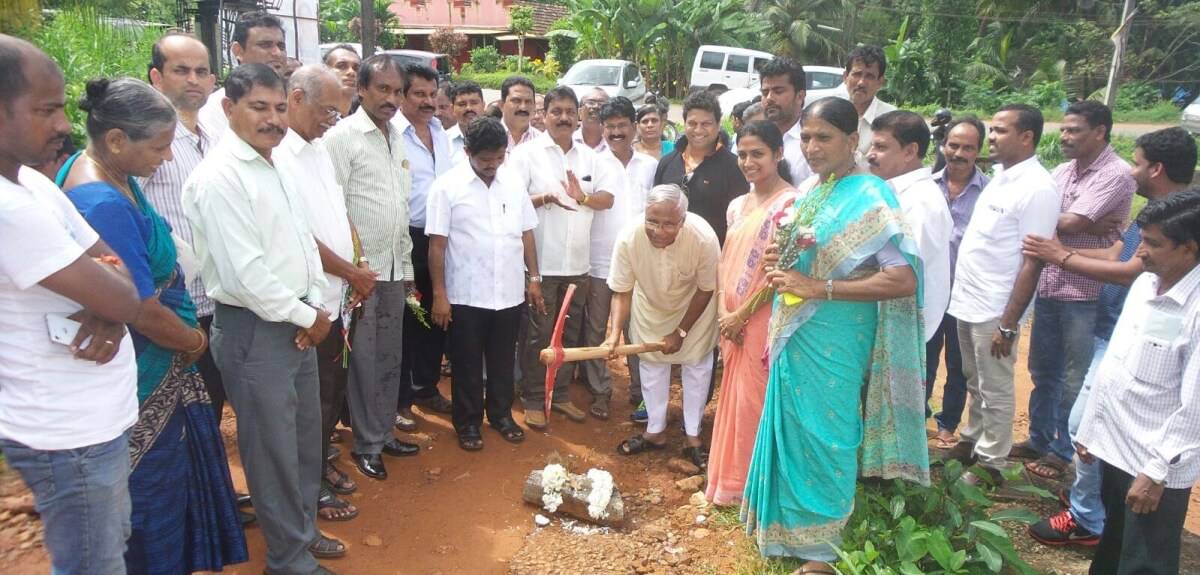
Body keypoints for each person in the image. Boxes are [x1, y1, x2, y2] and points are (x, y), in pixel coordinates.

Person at [57, 77, 248, 574]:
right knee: (153, 501)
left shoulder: (104, 174)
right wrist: (192, 339)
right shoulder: (102, 203)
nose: (166, 158)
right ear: (118, 140)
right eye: (160, 147)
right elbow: (139, 307)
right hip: (144, 375)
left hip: (154, 364)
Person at [740, 98, 928, 573]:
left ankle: (822, 551)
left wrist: (817, 286)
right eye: (805, 137)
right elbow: (797, 258)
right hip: (797, 330)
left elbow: (902, 279)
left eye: (824, 137)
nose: (812, 146)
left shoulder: (870, 195)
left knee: (830, 433)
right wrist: (779, 266)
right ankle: (783, 527)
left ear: (853, 140)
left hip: (839, 333)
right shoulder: (811, 190)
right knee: (793, 424)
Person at [183, 63, 341, 574]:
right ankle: (287, 559)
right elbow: (245, 273)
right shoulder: (220, 178)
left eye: (278, 108)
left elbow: (303, 244)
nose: (272, 119)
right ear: (229, 109)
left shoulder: (272, 164)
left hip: (298, 323)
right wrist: (307, 314)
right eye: (259, 108)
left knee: (302, 442)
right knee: (271, 453)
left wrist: (313, 304)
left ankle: (302, 533)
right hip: (257, 331)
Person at [0, 35, 141, 574]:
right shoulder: (11, 210)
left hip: (91, 423)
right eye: (45, 109)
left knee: (108, 548)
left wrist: (109, 301)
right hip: (66, 436)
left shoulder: (33, 183)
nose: (63, 123)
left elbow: (119, 270)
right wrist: (112, 301)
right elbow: (123, 291)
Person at [1024, 128, 1196, 547]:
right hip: (1119, 331)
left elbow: (1129, 268)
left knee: (1089, 421)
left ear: (1155, 168)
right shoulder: (1155, 219)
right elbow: (1123, 258)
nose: (1129, 170)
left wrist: (1061, 256)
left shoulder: (1178, 233)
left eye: (1136, 162)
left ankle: (1087, 515)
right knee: (1094, 421)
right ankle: (1100, 511)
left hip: (1145, 351)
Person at [1074, 189, 1200, 575]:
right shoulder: (1147, 283)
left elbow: (1194, 407)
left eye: (1152, 243)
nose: (1139, 250)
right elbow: (1117, 360)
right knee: (1113, 550)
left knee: (1144, 564)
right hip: (1115, 446)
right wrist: (1092, 427)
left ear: (1189, 250)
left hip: (1154, 464)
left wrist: (1158, 471)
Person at [275, 65, 375, 523]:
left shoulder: (317, 151)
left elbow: (339, 214)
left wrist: (358, 263)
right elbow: (302, 238)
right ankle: (306, 489)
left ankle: (317, 469)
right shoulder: (280, 157)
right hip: (309, 303)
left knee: (329, 395)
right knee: (308, 404)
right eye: (326, 111)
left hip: (338, 297)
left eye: (337, 113)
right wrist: (352, 272)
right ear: (296, 98)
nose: (331, 121)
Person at [1015, 101, 1135, 482]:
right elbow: (1044, 217)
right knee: (1042, 369)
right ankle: (1038, 439)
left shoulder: (1117, 174)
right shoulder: (1063, 171)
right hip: (1049, 283)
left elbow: (1071, 220)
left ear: (1100, 131)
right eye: (1063, 130)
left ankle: (1062, 450)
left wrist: (1054, 222)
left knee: (1074, 376)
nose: (1064, 137)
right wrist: (1059, 223)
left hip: (1085, 290)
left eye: (1073, 130)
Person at [943, 104, 1060, 484]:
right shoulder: (1001, 176)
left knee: (994, 384)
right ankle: (972, 440)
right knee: (973, 377)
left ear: (1027, 137)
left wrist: (1009, 323)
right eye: (991, 130)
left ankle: (992, 462)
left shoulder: (1038, 188)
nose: (991, 138)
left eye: (1000, 131)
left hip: (996, 308)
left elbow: (1033, 261)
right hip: (968, 300)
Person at [323, 54, 421, 481]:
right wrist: (355, 268)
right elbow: (334, 207)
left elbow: (398, 206)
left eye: (397, 91)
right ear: (361, 89)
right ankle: (366, 444)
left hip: (396, 270)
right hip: (361, 276)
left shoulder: (395, 136)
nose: (392, 98)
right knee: (363, 361)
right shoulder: (342, 138)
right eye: (383, 89)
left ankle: (383, 433)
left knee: (389, 359)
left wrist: (409, 271)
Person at [506, 85, 620, 430]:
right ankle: (533, 398)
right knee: (539, 336)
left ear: (580, 115)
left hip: (578, 267)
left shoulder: (591, 158)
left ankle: (562, 396)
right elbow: (512, 202)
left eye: (571, 111)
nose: (565, 118)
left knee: (569, 335)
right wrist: (548, 197)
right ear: (545, 114)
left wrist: (581, 196)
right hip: (542, 265)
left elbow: (608, 199)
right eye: (557, 111)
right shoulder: (527, 155)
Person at [427, 117, 544, 450]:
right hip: (466, 294)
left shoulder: (513, 183)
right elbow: (437, 246)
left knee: (503, 359)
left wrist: (533, 278)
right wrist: (440, 295)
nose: (492, 166)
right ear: (467, 152)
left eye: (498, 158)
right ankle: (468, 424)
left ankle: (501, 415)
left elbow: (526, 233)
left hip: (507, 292)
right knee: (466, 363)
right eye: (485, 160)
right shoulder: (447, 187)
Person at [705, 120, 796, 505]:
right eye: (742, 154)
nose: (748, 161)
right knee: (733, 394)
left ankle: (754, 488)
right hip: (731, 314)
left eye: (757, 153)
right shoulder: (736, 205)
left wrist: (742, 315)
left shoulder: (791, 206)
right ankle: (727, 481)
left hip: (763, 316)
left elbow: (780, 275)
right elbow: (727, 261)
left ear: (777, 154)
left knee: (755, 396)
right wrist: (727, 311)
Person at [605, 184, 720, 469]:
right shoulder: (629, 237)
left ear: (683, 220)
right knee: (652, 368)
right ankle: (654, 431)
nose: (658, 230)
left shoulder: (703, 237)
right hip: (651, 308)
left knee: (696, 368)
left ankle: (692, 436)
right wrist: (614, 334)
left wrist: (681, 331)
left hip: (695, 309)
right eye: (652, 221)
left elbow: (706, 289)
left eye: (669, 224)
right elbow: (622, 290)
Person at [142, 32, 225, 413]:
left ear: (212, 81)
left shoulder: (213, 138)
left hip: (218, 300)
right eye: (181, 70)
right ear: (156, 77)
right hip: (174, 307)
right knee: (176, 413)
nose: (193, 79)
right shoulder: (147, 141)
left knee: (210, 404)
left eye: (201, 71)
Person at [578, 97, 657, 420]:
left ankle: (641, 394)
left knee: (638, 331)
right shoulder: (591, 164)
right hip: (600, 261)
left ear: (634, 127)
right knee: (596, 329)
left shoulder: (650, 166)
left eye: (622, 125)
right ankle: (601, 391)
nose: (615, 132)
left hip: (640, 264)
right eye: (609, 127)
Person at [393, 64, 454, 431]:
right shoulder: (392, 135)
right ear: (402, 96)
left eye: (432, 95)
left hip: (441, 238)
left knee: (437, 314)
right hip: (407, 239)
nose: (428, 102)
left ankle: (427, 387)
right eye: (419, 94)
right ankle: (401, 400)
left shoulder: (439, 132)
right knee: (405, 318)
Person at [927, 116, 989, 449]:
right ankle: (916, 415)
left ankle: (948, 422)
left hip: (965, 293)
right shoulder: (927, 185)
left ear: (979, 151)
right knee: (924, 355)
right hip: (928, 290)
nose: (959, 153)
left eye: (968, 147)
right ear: (943, 146)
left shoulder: (990, 192)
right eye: (953, 145)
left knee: (959, 364)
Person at [867, 110, 953, 342]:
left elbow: (905, 275)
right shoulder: (896, 193)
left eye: (880, 147)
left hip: (908, 334)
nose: (870, 155)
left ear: (910, 151)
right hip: (894, 326)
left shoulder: (919, 202)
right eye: (871, 146)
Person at [654, 90, 748, 245]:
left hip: (714, 258)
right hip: (668, 256)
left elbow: (739, 223)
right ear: (684, 124)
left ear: (718, 125)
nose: (698, 130)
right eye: (692, 123)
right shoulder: (667, 163)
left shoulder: (734, 167)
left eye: (706, 124)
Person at [197, 11, 286, 141]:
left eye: (281, 46)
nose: (277, 53)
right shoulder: (214, 110)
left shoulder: (293, 102)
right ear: (238, 50)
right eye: (265, 45)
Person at [832, 45, 896, 164]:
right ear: (845, 77)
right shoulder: (832, 112)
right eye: (856, 74)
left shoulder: (891, 119)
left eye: (870, 76)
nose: (861, 82)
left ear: (880, 82)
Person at [759, 56, 813, 186]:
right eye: (765, 92)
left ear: (800, 96)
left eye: (778, 91)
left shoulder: (812, 143)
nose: (769, 98)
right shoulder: (756, 136)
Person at [446, 80, 484, 165]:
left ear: (483, 105)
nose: (469, 108)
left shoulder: (496, 138)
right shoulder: (443, 141)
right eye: (462, 104)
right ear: (452, 109)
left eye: (474, 103)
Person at [500, 75, 539, 150]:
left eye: (528, 101)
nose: (523, 107)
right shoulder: (487, 137)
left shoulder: (542, 143)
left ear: (534, 106)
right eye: (516, 101)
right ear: (502, 104)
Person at [323, 43, 361, 117]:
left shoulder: (364, 118)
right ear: (325, 71)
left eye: (356, 68)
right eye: (342, 66)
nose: (351, 72)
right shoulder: (313, 117)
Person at [575, 87, 609, 152]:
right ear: (580, 112)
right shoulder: (567, 142)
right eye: (591, 102)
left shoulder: (616, 145)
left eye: (601, 103)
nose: (596, 106)